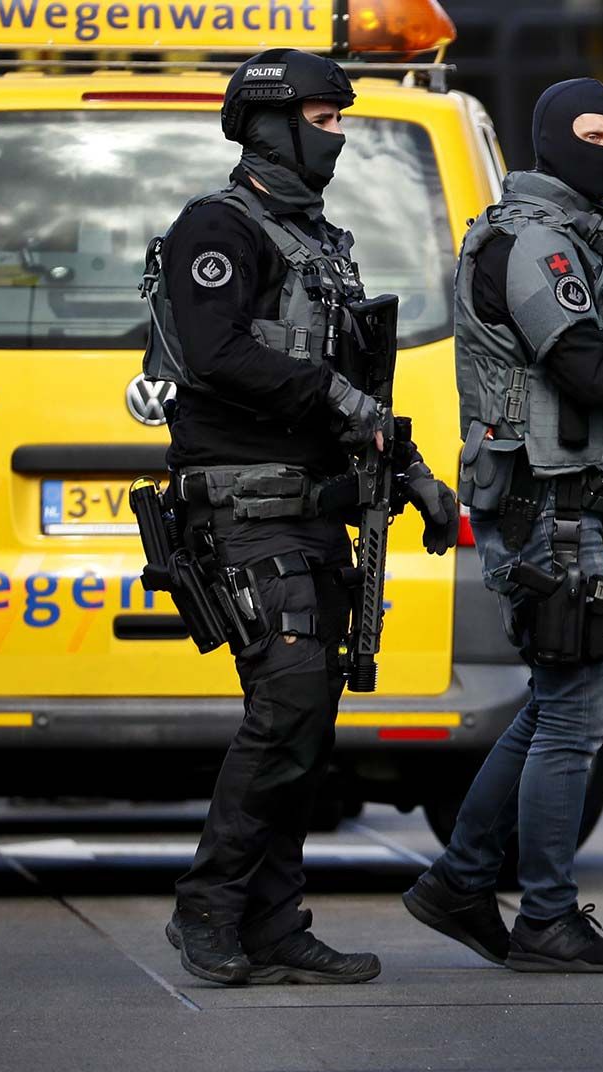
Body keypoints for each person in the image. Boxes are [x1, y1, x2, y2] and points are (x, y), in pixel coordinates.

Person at [159, 49, 458, 986]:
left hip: (315, 514)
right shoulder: (217, 227)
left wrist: (413, 478)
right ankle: (206, 908)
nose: (340, 136)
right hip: (245, 513)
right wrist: (336, 400)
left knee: (305, 722)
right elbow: (215, 353)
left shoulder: (323, 243)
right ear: (272, 123)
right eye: (327, 119)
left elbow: (361, 393)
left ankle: (276, 925)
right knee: (287, 702)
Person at [400, 79, 603, 973]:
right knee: (575, 713)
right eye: (588, 133)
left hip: (562, 499)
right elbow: (594, 372)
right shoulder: (535, 245)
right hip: (543, 504)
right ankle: (545, 916)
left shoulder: (572, 238)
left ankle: (460, 881)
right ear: (547, 139)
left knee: (553, 705)